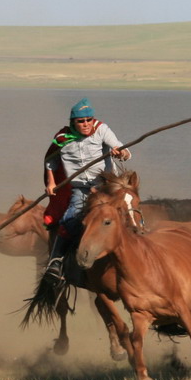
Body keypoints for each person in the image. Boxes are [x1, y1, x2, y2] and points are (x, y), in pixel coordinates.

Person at [42, 97, 131, 278]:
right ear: (73, 123)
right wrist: (51, 182)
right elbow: (51, 161)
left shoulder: (101, 130)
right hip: (80, 190)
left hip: (105, 187)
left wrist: (120, 153)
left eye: (88, 120)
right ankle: (56, 262)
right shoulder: (62, 139)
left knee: (128, 210)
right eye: (81, 121)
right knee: (69, 219)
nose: (86, 124)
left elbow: (123, 150)